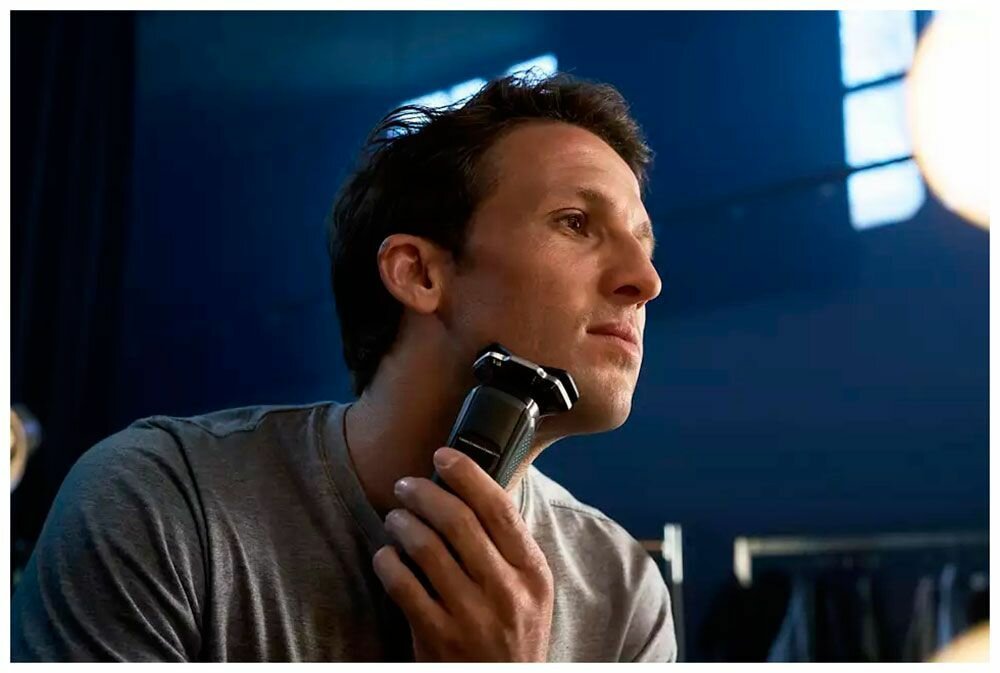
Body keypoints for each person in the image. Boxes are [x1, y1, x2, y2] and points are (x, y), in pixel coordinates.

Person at [11, 71, 674, 662]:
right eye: (575, 222)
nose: (646, 281)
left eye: (643, 245)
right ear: (418, 273)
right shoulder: (161, 504)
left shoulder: (625, 597)